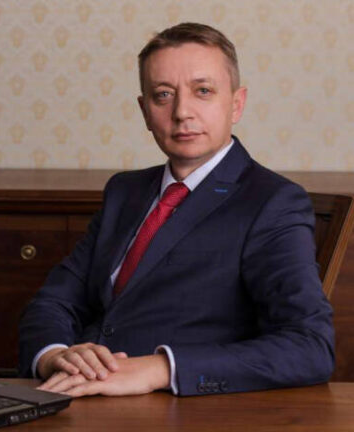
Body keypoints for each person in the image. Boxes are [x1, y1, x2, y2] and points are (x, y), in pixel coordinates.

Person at [18, 22, 334, 397]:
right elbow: (55, 301)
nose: (182, 111)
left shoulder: (272, 202)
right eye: (163, 95)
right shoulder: (125, 191)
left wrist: (161, 369)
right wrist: (55, 356)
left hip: (174, 407)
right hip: (72, 394)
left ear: (237, 103)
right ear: (144, 110)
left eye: (203, 91)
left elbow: (310, 347)